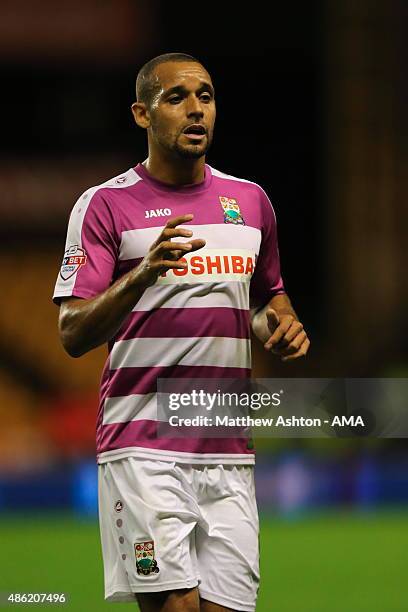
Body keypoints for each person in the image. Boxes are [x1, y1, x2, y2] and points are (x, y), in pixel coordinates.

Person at [53, 52, 309, 612]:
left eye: (206, 96)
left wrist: (280, 326)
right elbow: (71, 332)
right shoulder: (106, 205)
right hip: (143, 446)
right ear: (142, 114)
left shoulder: (250, 202)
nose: (196, 110)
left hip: (228, 451)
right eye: (177, 98)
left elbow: (267, 301)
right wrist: (144, 272)